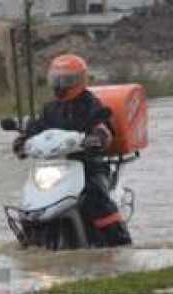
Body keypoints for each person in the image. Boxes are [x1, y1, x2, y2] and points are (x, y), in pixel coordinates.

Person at [13, 54, 132, 247]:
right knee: (30, 201)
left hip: (88, 165)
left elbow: (102, 126)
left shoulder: (90, 104)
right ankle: (28, 241)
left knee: (96, 196)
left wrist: (99, 137)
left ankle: (119, 242)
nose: (61, 85)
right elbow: (36, 127)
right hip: (54, 166)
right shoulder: (50, 108)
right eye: (57, 80)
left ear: (80, 80)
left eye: (67, 80)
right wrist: (22, 141)